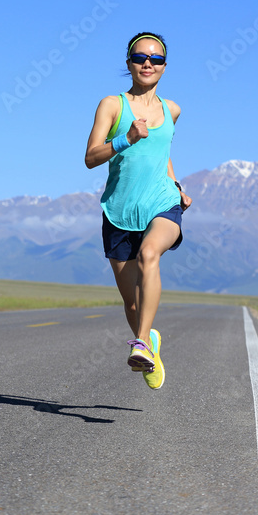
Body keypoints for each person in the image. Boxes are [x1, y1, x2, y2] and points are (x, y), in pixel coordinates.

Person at [84, 32, 192, 390]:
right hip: (119, 212)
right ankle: (149, 344)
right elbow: (90, 158)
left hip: (162, 203)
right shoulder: (112, 105)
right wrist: (125, 138)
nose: (148, 63)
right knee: (132, 305)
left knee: (150, 255)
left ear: (164, 66)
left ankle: (141, 344)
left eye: (156, 58)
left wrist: (177, 187)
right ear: (129, 62)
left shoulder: (172, 110)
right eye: (140, 57)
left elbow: (163, 155)